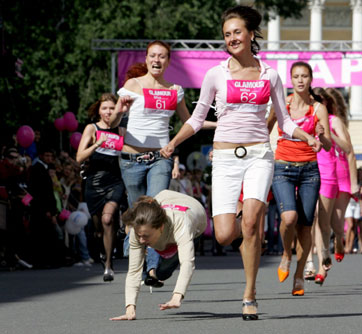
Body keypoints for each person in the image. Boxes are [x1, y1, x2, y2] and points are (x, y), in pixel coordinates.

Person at [160, 5, 321, 320]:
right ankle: (243, 225)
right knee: (223, 234)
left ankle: (250, 294)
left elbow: (285, 121)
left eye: (237, 32)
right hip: (224, 158)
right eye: (226, 35)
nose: (231, 38)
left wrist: (305, 136)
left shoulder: (269, 74)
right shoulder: (215, 74)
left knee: (250, 224)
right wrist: (175, 141)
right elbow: (196, 118)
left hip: (259, 154)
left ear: (250, 35)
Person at [111, 40, 215, 287]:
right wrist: (120, 110)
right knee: (138, 212)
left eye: (162, 57)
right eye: (152, 56)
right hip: (131, 159)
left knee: (155, 207)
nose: (156, 60)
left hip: (160, 158)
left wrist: (222, 123)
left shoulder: (175, 89)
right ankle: (137, 256)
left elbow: (190, 122)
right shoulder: (132, 85)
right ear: (146, 59)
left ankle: (153, 270)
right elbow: (114, 121)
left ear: (168, 61)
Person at [266, 63, 331, 295]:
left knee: (305, 224)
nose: (300, 80)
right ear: (291, 80)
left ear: (311, 79)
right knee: (289, 217)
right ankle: (285, 254)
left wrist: (322, 135)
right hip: (283, 166)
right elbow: (265, 129)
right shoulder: (282, 104)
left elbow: (327, 146)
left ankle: (299, 275)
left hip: (309, 171)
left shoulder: (318, 108)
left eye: (304, 76)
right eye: (296, 76)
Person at [110, 190, 206, 321]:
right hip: (163, 201)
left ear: (160, 227)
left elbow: (187, 263)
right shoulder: (139, 230)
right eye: (140, 235)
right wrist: (130, 309)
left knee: (163, 272)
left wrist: (177, 296)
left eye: (146, 236)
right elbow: (133, 271)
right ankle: (128, 233)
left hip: (194, 219)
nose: (142, 240)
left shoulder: (180, 222)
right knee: (139, 250)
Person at [77, 93, 126, 281]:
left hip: (115, 181)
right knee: (98, 228)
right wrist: (96, 144)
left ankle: (109, 265)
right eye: (104, 108)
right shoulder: (92, 128)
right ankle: (104, 253)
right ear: (98, 110)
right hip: (94, 182)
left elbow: (130, 154)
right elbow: (79, 157)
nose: (108, 112)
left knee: (108, 220)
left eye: (112, 108)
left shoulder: (121, 130)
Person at [310, 87, 356, 285]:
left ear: (326, 102)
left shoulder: (334, 121)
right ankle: (322, 267)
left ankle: (339, 238)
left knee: (336, 224)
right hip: (321, 174)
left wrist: (328, 135)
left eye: (319, 100)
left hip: (341, 174)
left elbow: (348, 149)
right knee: (321, 221)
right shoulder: (308, 121)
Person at [344, 167, 362, 254]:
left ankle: (351, 246)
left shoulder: (359, 183)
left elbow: (359, 196)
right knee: (350, 225)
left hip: (356, 204)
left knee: (355, 226)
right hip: (348, 203)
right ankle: (346, 246)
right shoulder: (348, 180)